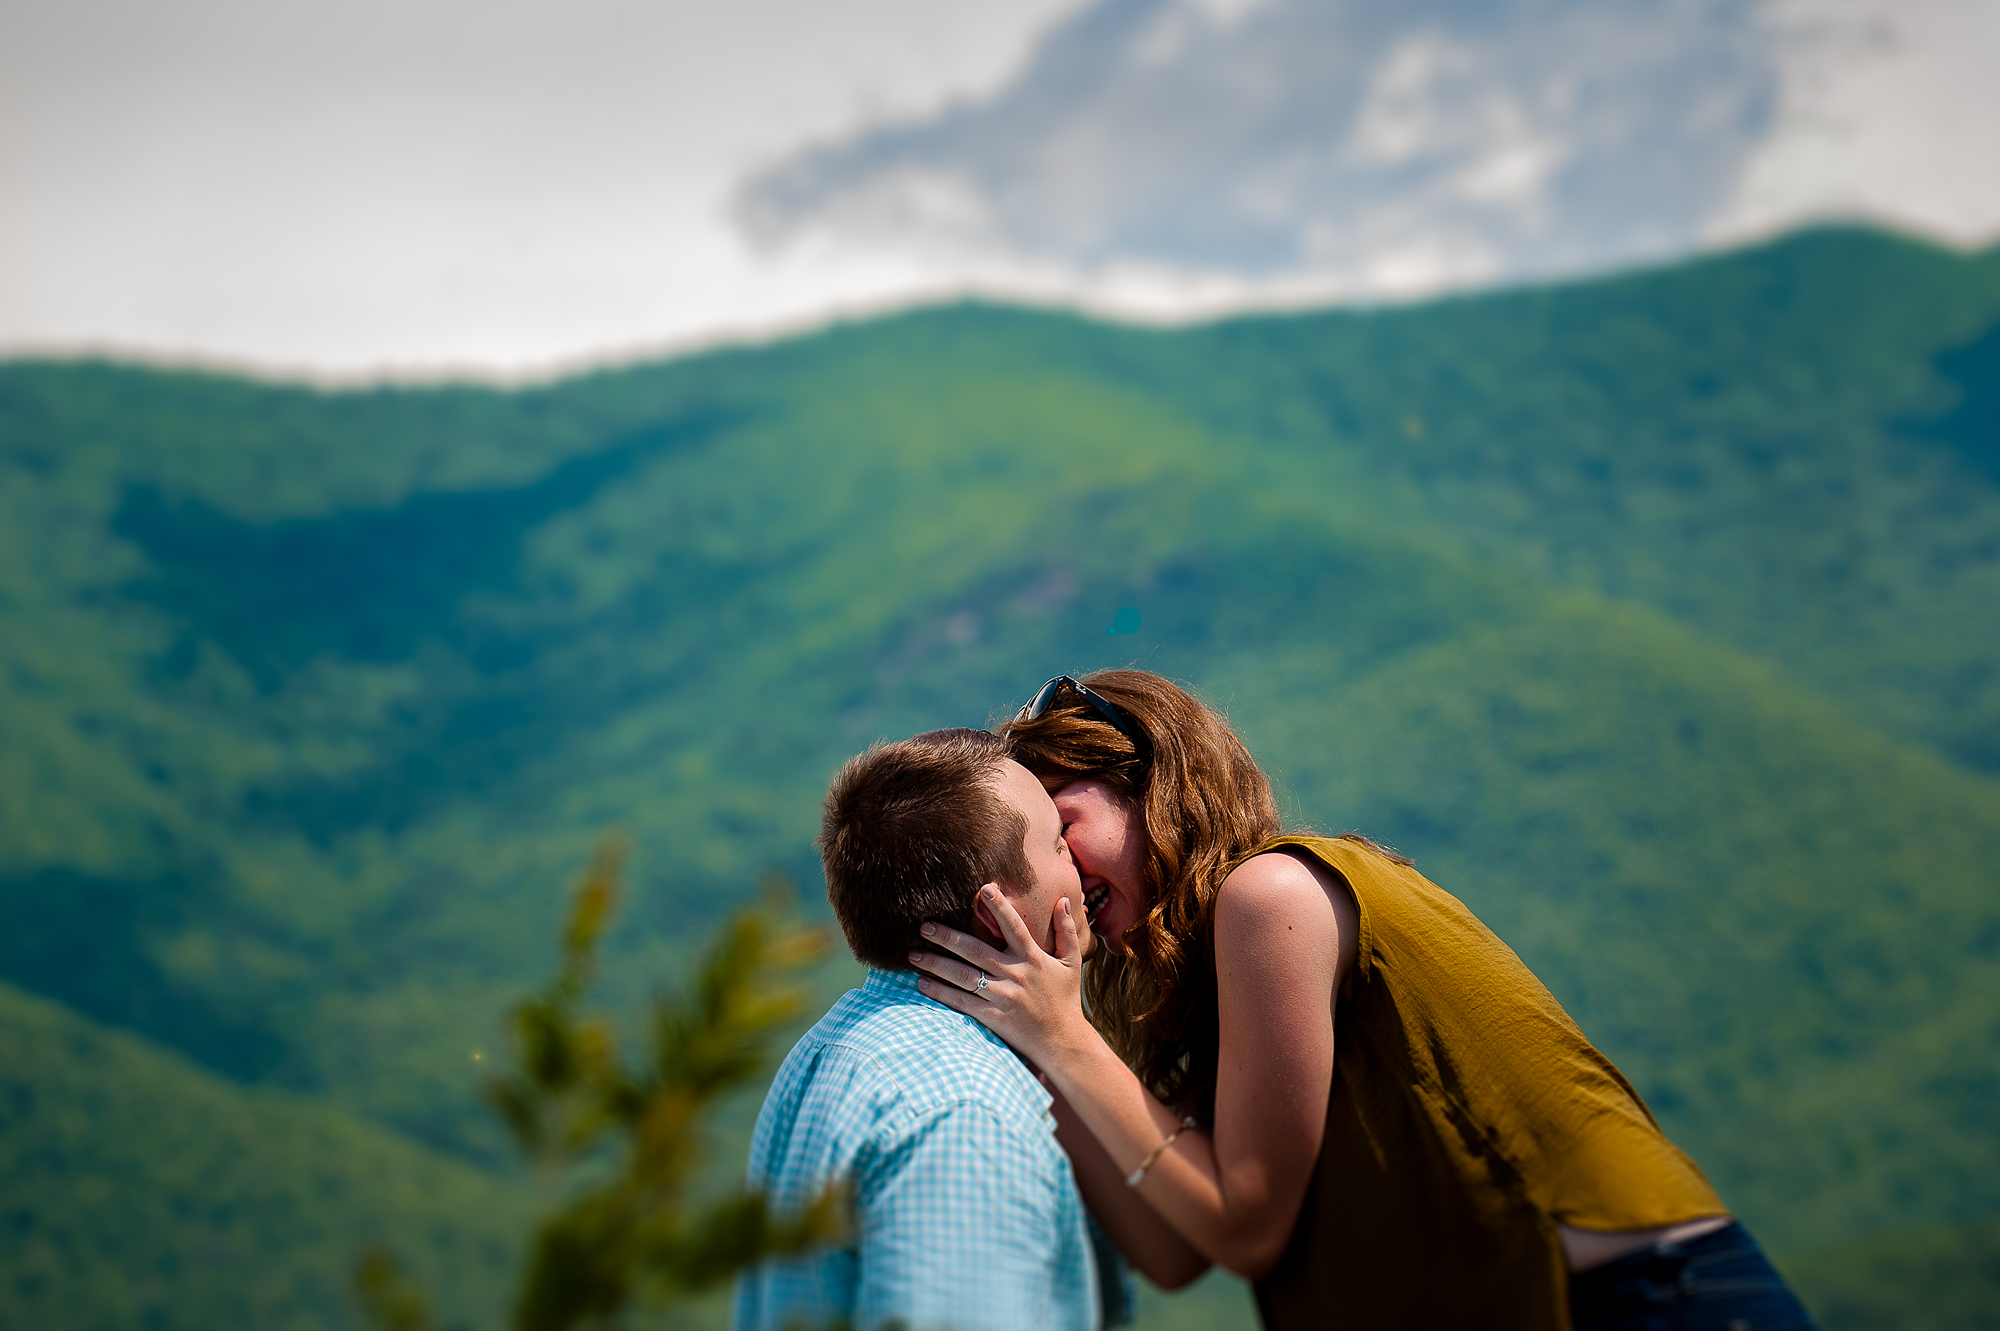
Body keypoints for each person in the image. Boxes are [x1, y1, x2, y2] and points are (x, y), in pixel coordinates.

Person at [910, 671, 1817, 1331]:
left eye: (1060, 831)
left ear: (1147, 778)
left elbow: (1247, 1227)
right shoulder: (1222, 977)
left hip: (1640, 1299)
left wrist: (1065, 1036)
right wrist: (1022, 1029)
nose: (1058, 879)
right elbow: (1179, 1242)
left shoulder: (1273, 896)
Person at [733, 727, 1129, 1331]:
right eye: (1054, 845)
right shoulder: (967, 1113)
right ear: (996, 916)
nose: (1075, 861)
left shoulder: (832, 1044)